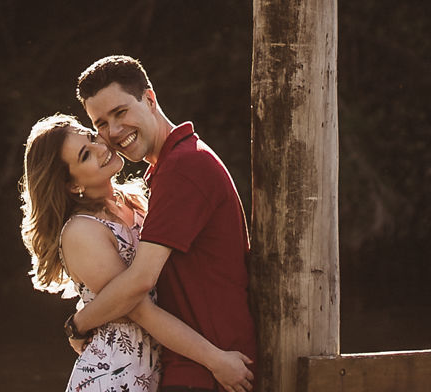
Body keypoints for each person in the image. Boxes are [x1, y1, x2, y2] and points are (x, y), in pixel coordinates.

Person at [21, 114, 255, 392]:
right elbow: (142, 310)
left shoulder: (135, 200)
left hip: (159, 369)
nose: (101, 148)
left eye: (92, 138)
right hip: (115, 377)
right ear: (72, 184)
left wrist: (79, 322)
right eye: (85, 155)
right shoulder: (81, 232)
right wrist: (215, 359)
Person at [65, 56, 257, 392]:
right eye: (100, 124)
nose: (113, 132)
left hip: (213, 369)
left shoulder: (184, 168)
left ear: (149, 99)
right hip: (195, 366)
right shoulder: (164, 173)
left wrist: (79, 323)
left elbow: (140, 282)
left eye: (120, 113)